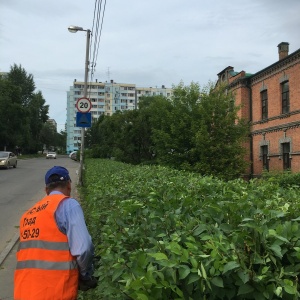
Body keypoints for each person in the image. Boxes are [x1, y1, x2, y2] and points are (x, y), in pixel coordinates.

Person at [14, 166, 97, 300]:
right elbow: (84, 249)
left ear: (46, 190)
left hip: (24, 292)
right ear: (69, 185)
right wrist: (85, 275)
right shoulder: (69, 205)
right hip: (56, 292)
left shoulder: (28, 215)